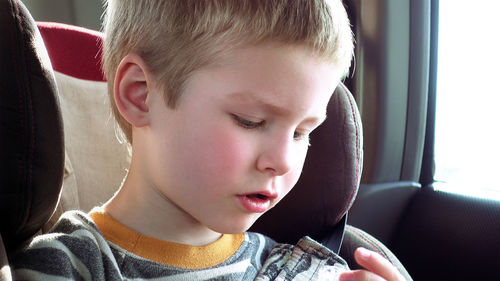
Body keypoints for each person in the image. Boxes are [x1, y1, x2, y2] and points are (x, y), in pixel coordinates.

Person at [12, 0, 405, 280]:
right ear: (141, 95)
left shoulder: (299, 268)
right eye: (250, 121)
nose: (284, 161)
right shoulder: (66, 266)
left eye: (303, 132)